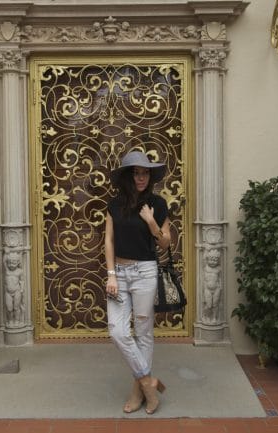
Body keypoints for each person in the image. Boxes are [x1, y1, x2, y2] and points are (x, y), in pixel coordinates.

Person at [105, 149, 171, 414]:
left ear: (150, 176)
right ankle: (149, 383)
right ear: (127, 176)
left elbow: (165, 242)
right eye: (136, 173)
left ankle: (139, 391)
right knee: (117, 330)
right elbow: (108, 240)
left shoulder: (158, 203)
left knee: (143, 333)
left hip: (145, 272)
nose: (141, 178)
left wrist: (151, 222)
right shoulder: (114, 204)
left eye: (145, 173)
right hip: (118, 274)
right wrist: (110, 274)